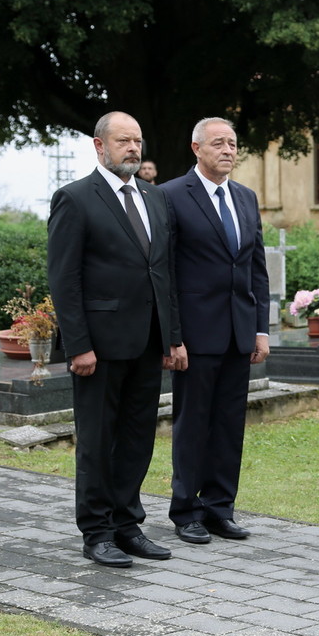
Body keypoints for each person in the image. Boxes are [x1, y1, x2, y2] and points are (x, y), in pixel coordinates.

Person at [47, 111, 187, 568]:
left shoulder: (154, 197)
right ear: (99, 146)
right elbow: (65, 281)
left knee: (136, 437)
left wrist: (173, 339)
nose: (133, 148)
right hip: (100, 346)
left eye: (138, 141)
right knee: (98, 440)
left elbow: (163, 273)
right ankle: (97, 531)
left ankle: (128, 525)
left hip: (147, 342)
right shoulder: (74, 199)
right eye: (123, 140)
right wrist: (78, 344)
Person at [163, 116, 270, 544]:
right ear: (197, 148)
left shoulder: (246, 198)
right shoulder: (170, 196)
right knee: (193, 424)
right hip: (195, 334)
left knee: (229, 424)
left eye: (232, 143)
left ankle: (219, 507)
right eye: (218, 143)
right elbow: (165, 273)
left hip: (238, 332)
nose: (228, 150)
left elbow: (255, 269)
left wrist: (261, 328)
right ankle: (186, 509)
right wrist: (173, 336)